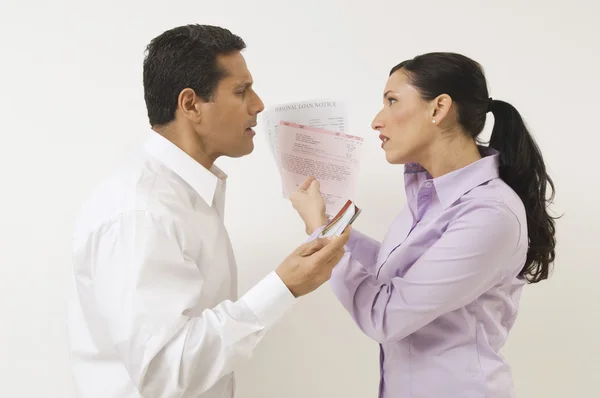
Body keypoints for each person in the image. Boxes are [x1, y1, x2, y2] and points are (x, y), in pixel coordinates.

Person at [66, 24, 350, 398]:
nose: (258, 105)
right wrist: (283, 287)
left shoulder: (181, 193)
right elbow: (167, 373)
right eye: (241, 91)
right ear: (191, 105)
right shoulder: (141, 213)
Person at [291, 52, 557, 397]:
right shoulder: (428, 197)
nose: (376, 120)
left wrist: (320, 231)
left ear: (438, 108)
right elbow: (393, 274)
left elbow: (384, 317)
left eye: (392, 101)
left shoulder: (490, 213)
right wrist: (329, 226)